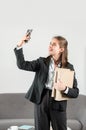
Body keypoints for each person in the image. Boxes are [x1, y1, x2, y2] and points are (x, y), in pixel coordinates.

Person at [14, 33, 79, 130]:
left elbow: (75, 92)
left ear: (61, 49)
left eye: (54, 44)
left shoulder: (69, 67)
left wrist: (64, 88)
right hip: (41, 99)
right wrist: (20, 45)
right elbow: (22, 65)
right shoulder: (41, 62)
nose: (50, 46)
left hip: (58, 102)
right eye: (50, 43)